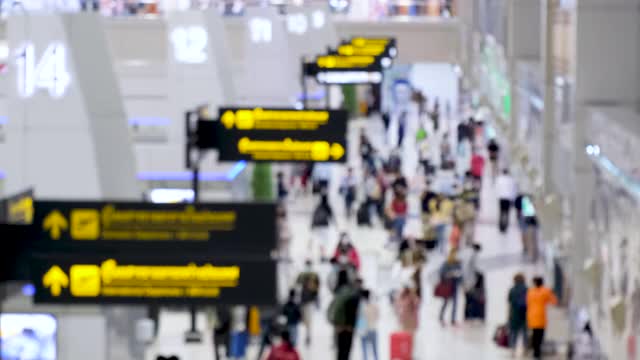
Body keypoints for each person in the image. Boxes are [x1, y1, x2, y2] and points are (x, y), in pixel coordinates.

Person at [328, 270, 361, 360]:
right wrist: (352, 325)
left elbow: (332, 309)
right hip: (349, 326)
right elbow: (355, 308)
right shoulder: (351, 291)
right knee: (347, 350)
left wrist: (336, 324)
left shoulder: (337, 292)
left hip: (339, 326)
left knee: (340, 349)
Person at [527, 276, 559, 359]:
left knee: (534, 334)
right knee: (540, 335)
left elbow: (527, 302)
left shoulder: (530, 291)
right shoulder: (545, 291)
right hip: (541, 316)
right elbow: (554, 301)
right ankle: (537, 353)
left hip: (531, 315)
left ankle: (535, 352)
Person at [296, 260, 320, 346]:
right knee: (304, 319)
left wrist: (317, 300)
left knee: (309, 319)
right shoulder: (302, 274)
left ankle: (308, 335)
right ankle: (306, 333)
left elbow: (317, 288)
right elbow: (297, 284)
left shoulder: (314, 275)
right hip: (303, 301)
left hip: (310, 301)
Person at [439, 249, 462, 326]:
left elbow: (460, 273)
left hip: (455, 285)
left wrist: (459, 277)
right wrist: (449, 274)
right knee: (446, 302)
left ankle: (453, 319)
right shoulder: (446, 263)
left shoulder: (458, 263)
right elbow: (442, 273)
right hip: (447, 285)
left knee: (455, 303)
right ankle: (441, 317)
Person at [508, 273, 529, 357]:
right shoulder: (527, 289)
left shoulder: (512, 290)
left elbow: (509, 303)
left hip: (514, 315)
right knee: (525, 333)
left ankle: (513, 350)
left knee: (514, 333)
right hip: (525, 314)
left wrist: (508, 316)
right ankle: (525, 349)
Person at [357, 290, 379, 360]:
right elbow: (377, 316)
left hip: (364, 331)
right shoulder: (374, 305)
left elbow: (360, 320)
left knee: (364, 352)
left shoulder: (361, 306)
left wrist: (360, 330)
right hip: (373, 329)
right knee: (375, 351)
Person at [311, 194, 334, 260]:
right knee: (325, 241)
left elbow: (314, 215)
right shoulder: (327, 206)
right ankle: (323, 254)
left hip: (318, 226)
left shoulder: (318, 206)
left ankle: (321, 254)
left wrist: (312, 225)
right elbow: (331, 216)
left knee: (320, 241)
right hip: (325, 226)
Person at [496, 169, 517, 233]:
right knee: (507, 213)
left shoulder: (499, 179)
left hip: (501, 198)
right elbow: (513, 190)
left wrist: (498, 196)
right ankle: (505, 226)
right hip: (508, 198)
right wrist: (513, 199)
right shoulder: (511, 180)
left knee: (501, 212)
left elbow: (497, 188)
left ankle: (501, 226)